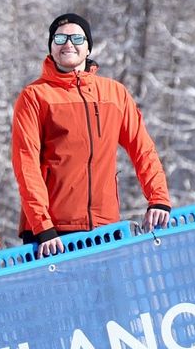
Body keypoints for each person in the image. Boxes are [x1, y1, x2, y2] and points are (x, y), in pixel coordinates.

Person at [11, 14, 172, 258]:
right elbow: (26, 165)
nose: (68, 44)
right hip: (52, 234)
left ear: (88, 48)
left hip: (104, 229)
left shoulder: (114, 94)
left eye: (77, 37)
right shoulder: (35, 96)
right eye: (60, 38)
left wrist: (158, 199)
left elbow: (143, 150)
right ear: (51, 47)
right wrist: (42, 225)